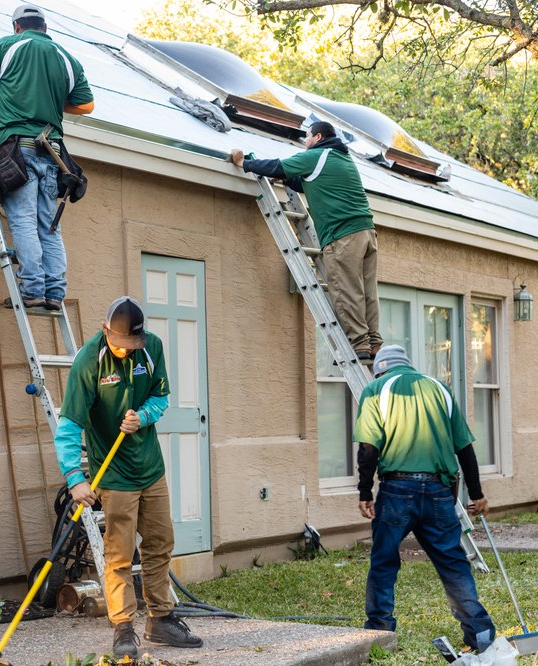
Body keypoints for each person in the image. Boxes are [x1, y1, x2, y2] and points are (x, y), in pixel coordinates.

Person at [53, 297, 203, 659]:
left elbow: (161, 395)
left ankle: (161, 619)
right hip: (114, 472)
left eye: (132, 345)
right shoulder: (89, 361)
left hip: (150, 467)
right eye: (120, 344)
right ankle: (123, 627)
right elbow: (70, 426)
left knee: (160, 542)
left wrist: (145, 416)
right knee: (119, 553)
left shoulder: (151, 347)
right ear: (106, 331)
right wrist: (75, 478)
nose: (126, 351)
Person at [354, 344, 496, 653]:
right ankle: (480, 633)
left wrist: (365, 491)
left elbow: (368, 446)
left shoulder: (376, 389)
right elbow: (465, 448)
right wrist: (478, 493)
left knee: (383, 561)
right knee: (453, 562)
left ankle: (379, 632)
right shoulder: (439, 390)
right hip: (438, 493)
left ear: (380, 369)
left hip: (396, 491)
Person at [0, 4, 94, 311]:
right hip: (52, 152)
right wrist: (49, 98)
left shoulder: (7, 46)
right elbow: (86, 105)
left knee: (23, 220)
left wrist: (12, 93)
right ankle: (55, 292)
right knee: (48, 225)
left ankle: (32, 290)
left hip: (17, 149)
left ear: (17, 27)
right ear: (45, 28)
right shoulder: (67, 58)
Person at [230, 121, 382, 360]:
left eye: (307, 136)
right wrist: (284, 177)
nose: (304, 141)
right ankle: (374, 343)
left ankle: (359, 344)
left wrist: (244, 163)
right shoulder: (341, 158)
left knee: (346, 289)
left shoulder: (317, 156)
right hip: (366, 232)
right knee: (367, 291)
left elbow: (279, 166)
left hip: (342, 237)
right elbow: (302, 181)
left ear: (318, 137)